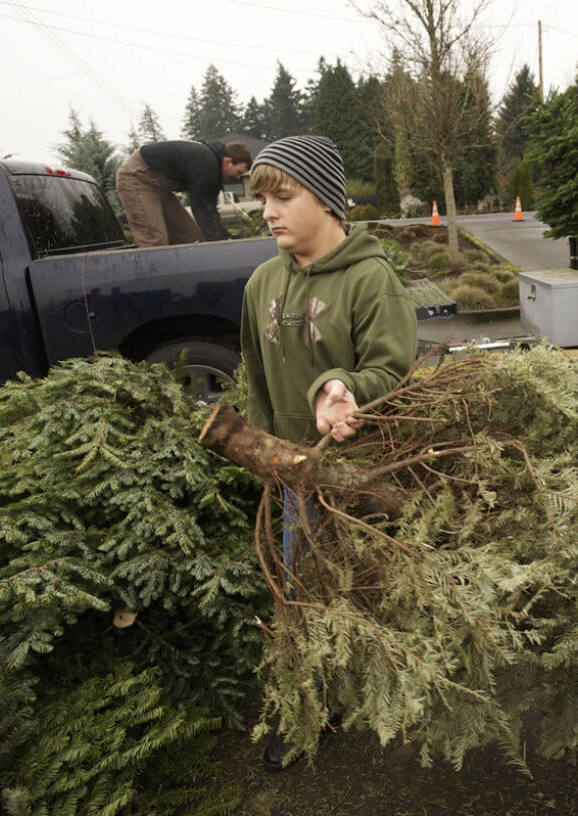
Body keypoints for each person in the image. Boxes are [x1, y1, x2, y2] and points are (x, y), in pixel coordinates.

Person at [238, 134, 417, 770]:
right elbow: (255, 378)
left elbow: (392, 373)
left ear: (328, 201)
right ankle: (310, 708)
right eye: (263, 200)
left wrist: (345, 389)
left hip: (360, 470)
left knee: (361, 583)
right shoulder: (261, 283)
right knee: (301, 591)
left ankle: (387, 686)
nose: (269, 211)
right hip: (292, 476)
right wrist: (262, 458)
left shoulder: (373, 281)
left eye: (284, 196)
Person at [115, 139, 252, 247]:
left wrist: (225, 237)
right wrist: (219, 243)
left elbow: (211, 210)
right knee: (154, 241)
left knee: (190, 237)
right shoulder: (205, 162)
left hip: (161, 187)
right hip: (137, 176)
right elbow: (201, 208)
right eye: (239, 172)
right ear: (228, 161)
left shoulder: (214, 169)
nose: (238, 178)